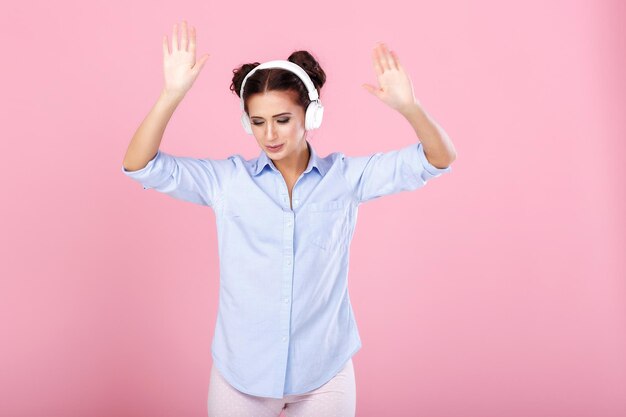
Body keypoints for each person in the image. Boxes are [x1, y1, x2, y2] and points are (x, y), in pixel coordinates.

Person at [121, 20, 456, 417]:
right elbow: (139, 165)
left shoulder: (345, 178)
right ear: (247, 122)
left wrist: (410, 108)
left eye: (282, 119)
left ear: (310, 115)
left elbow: (438, 158)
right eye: (258, 122)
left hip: (324, 374)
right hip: (241, 375)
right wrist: (170, 95)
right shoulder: (227, 182)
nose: (270, 135)